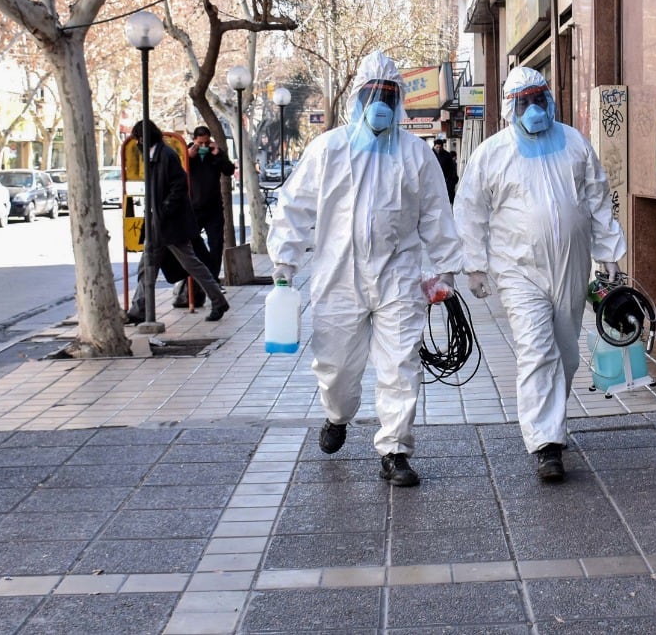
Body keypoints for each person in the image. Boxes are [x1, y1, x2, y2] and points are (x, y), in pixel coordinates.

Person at [267, 51, 462, 487]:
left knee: (400, 364)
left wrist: (446, 269)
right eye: (373, 94)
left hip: (400, 276)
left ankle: (395, 449)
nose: (380, 103)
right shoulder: (327, 150)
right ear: (357, 99)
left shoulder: (416, 155)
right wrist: (285, 259)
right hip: (338, 277)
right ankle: (337, 416)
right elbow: (294, 206)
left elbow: (435, 212)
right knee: (335, 367)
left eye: (389, 95)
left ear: (399, 102)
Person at [455, 67, 626, 483]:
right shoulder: (492, 154)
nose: (533, 109)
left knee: (565, 353)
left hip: (572, 266)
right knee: (536, 348)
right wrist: (475, 266)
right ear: (510, 108)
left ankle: (550, 420)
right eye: (523, 103)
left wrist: (609, 253)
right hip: (518, 271)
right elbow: (470, 211)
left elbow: (598, 198)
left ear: (550, 100)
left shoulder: (573, 143)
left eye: (539, 100)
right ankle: (546, 444)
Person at [126, 120, 230, 324]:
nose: (137, 143)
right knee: (146, 266)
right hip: (158, 223)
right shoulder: (155, 156)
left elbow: (179, 184)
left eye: (138, 138)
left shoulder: (166, 156)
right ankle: (138, 310)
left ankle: (218, 300)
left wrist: (165, 210)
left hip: (170, 225)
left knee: (192, 264)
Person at [173, 124, 236, 308]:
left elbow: (229, 170)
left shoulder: (215, 153)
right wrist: (188, 158)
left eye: (206, 142)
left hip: (213, 207)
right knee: (194, 244)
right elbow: (179, 173)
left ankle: (213, 278)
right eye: (200, 142)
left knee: (216, 243)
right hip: (193, 208)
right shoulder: (186, 153)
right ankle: (203, 277)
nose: (203, 146)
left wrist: (218, 155)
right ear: (194, 140)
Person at [431, 137, 458, 202]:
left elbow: (452, 169)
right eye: (437, 147)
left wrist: (451, 182)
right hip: (433, 182)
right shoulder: (430, 154)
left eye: (440, 147)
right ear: (434, 146)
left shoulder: (447, 155)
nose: (438, 149)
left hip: (446, 181)